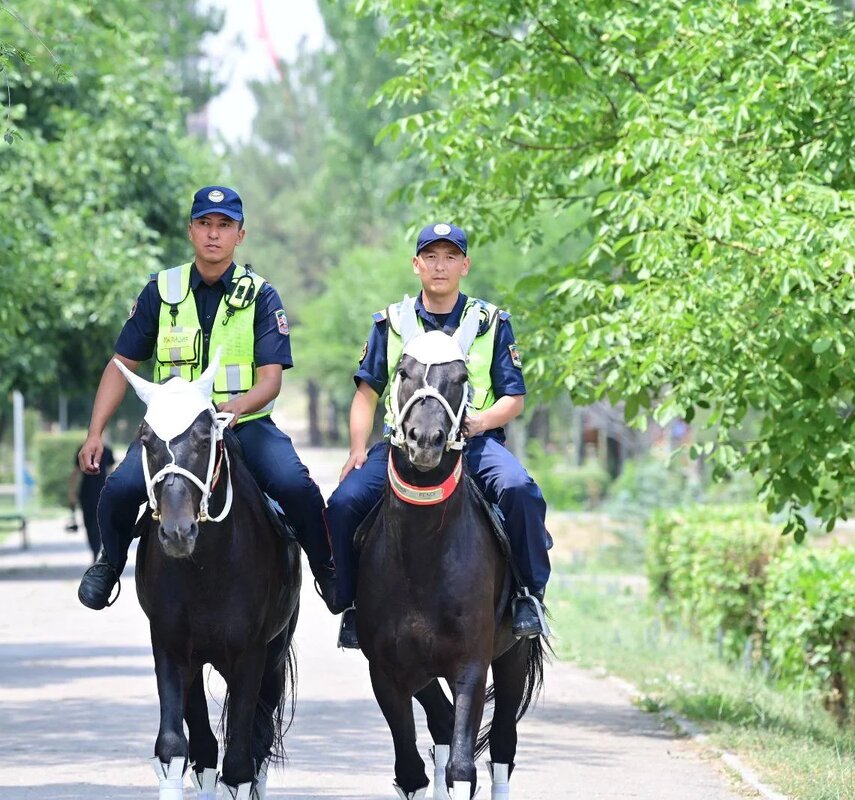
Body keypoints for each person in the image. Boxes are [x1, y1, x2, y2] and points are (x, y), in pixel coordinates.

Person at [75, 185, 336, 610]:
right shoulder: (160, 291)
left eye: (224, 226)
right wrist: (94, 432)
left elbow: (271, 380)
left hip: (242, 424)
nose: (214, 234)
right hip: (172, 433)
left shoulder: (261, 295)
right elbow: (120, 364)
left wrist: (235, 407)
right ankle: (109, 565)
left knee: (296, 486)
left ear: (240, 235)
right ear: (191, 230)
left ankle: (329, 573)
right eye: (205, 224)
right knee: (119, 490)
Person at [327, 222, 551, 647]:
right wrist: (358, 448)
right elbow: (366, 393)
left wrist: (481, 423)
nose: (440, 265)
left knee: (521, 490)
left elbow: (514, 398)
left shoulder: (489, 323)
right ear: (416, 265)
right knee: (342, 504)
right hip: (401, 445)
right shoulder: (391, 323)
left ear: (465, 265)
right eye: (430, 256)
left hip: (475, 442)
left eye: (450, 257)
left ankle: (528, 595)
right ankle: (352, 605)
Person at [69, 442, 113, 562]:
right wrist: (72, 492)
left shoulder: (107, 451)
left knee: (100, 524)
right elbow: (76, 472)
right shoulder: (82, 450)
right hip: (86, 493)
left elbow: (111, 472)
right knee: (89, 524)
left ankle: (97, 552)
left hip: (102, 492)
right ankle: (95, 551)